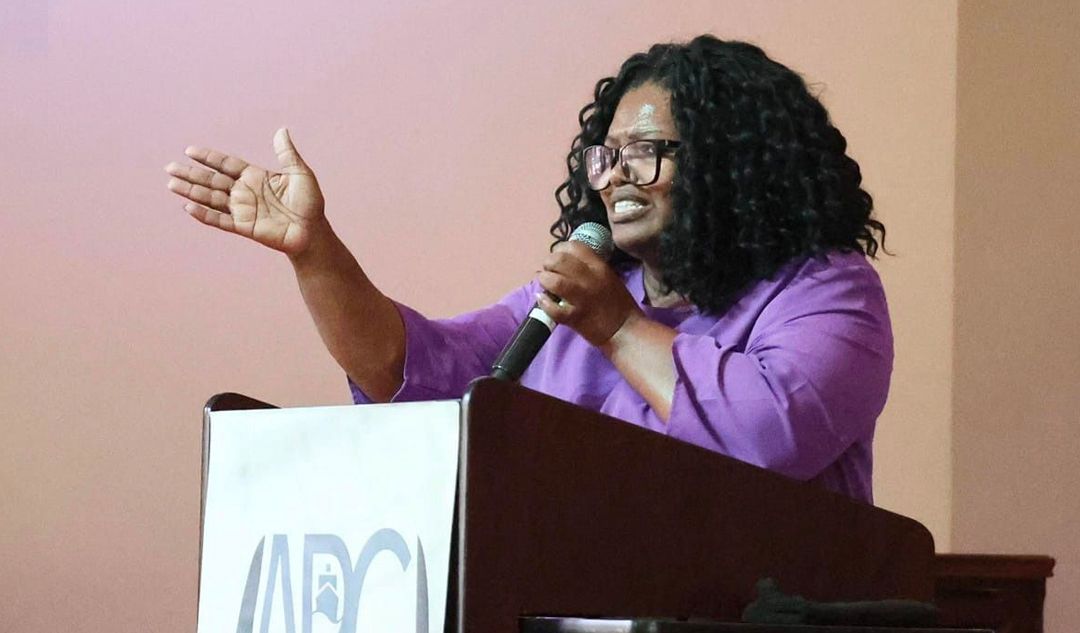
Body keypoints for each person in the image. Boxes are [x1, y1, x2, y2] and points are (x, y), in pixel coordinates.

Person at [165, 35, 891, 503]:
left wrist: (619, 328)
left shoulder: (824, 291)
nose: (616, 176)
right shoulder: (572, 305)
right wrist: (314, 251)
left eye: (646, 152)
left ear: (732, 162)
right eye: (607, 156)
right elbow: (408, 372)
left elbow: (771, 435)